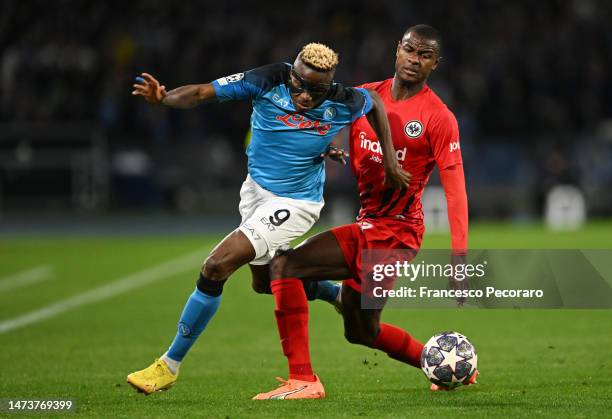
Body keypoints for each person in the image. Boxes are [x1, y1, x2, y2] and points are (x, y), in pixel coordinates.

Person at [126, 43, 410, 394]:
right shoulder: (268, 79)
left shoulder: (344, 99)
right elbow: (202, 92)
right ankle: (332, 294)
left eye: (316, 91)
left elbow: (376, 104)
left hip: (296, 203)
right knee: (263, 283)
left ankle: (168, 365)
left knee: (216, 266)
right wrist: (165, 99)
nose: (305, 96)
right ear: (291, 73)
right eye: (299, 85)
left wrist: (390, 160)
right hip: (255, 193)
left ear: (330, 86)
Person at [253, 25, 476, 400]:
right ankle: (441, 363)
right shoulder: (364, 96)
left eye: (424, 55)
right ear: (397, 50)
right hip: (368, 222)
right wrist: (331, 149)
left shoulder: (438, 118)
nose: (414, 59)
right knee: (360, 332)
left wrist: (459, 257)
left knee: (284, 267)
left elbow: (456, 191)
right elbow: (320, 124)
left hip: (395, 233)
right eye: (409, 50)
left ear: (435, 64)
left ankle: (303, 380)